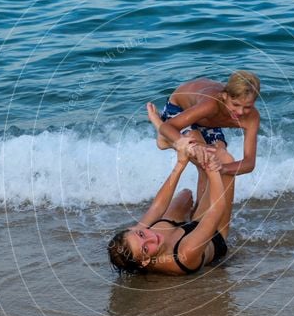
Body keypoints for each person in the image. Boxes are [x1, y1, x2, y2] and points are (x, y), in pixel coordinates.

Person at [107, 138, 235, 275]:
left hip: (178, 229)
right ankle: (202, 168)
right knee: (224, 159)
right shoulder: (184, 254)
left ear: (131, 230)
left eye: (141, 233)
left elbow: (157, 207)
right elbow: (217, 210)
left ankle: (192, 156)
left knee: (185, 195)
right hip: (213, 234)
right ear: (144, 262)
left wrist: (181, 163)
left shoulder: (134, 239)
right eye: (145, 249)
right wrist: (212, 168)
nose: (151, 238)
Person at [146, 70, 261, 177]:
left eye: (247, 107)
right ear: (225, 96)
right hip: (180, 109)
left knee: (222, 158)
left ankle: (204, 199)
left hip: (207, 120)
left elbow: (249, 163)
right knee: (204, 156)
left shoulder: (251, 117)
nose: (240, 112)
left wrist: (223, 168)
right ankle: (163, 137)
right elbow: (168, 127)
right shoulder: (210, 104)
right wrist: (193, 147)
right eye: (235, 105)